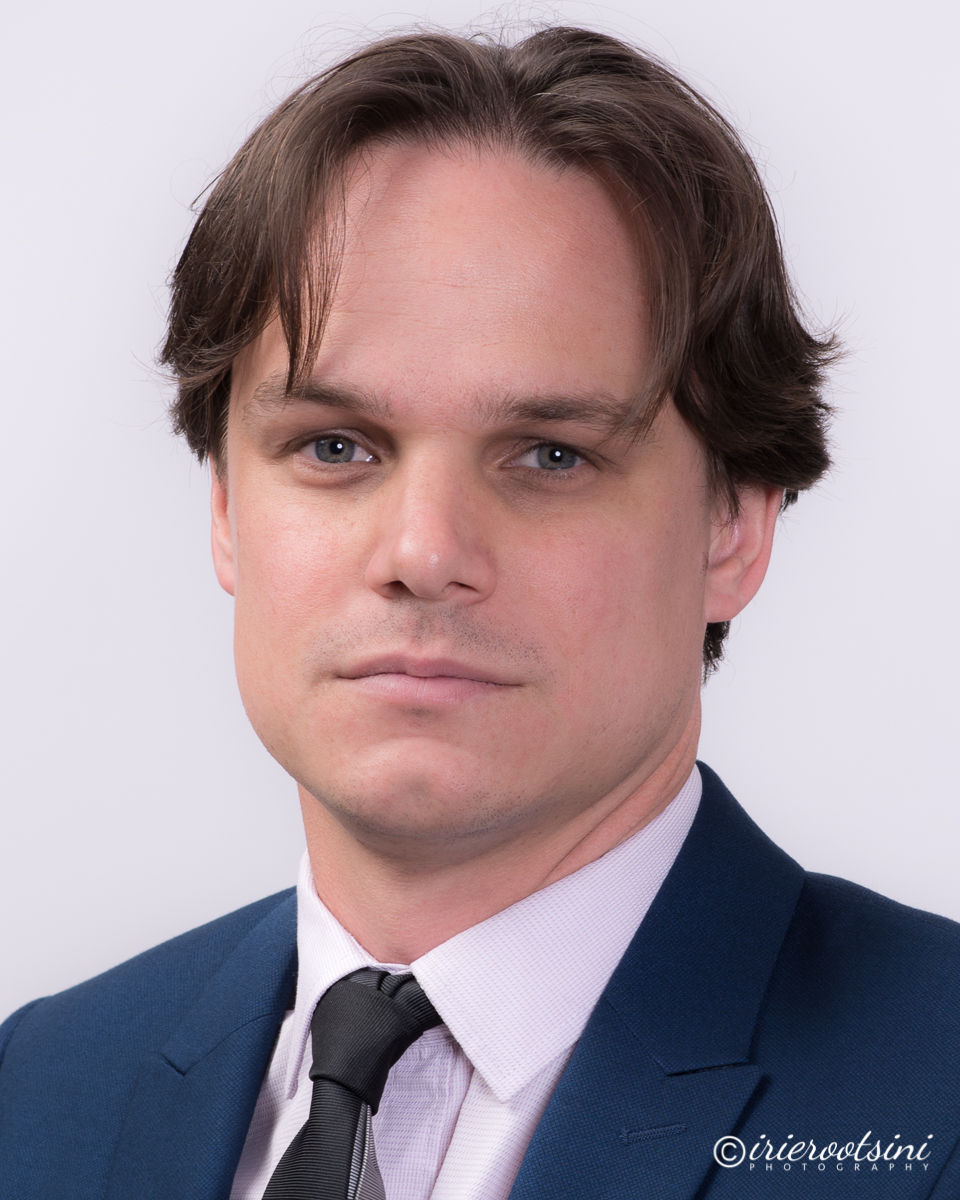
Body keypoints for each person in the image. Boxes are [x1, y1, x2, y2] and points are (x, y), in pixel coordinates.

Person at [1, 25, 958, 1200]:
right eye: (335, 446)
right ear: (226, 511)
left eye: (550, 455)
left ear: (735, 528)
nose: (424, 553)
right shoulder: (34, 1092)